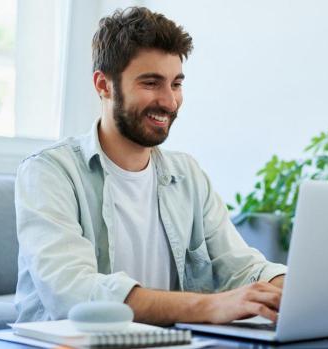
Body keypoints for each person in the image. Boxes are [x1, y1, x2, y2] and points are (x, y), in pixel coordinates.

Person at [14, 7, 286, 326]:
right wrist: (208, 306)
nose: (170, 102)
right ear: (104, 85)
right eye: (151, 83)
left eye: (176, 84)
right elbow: (73, 293)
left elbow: (242, 268)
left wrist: (289, 292)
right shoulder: (49, 172)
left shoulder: (188, 176)